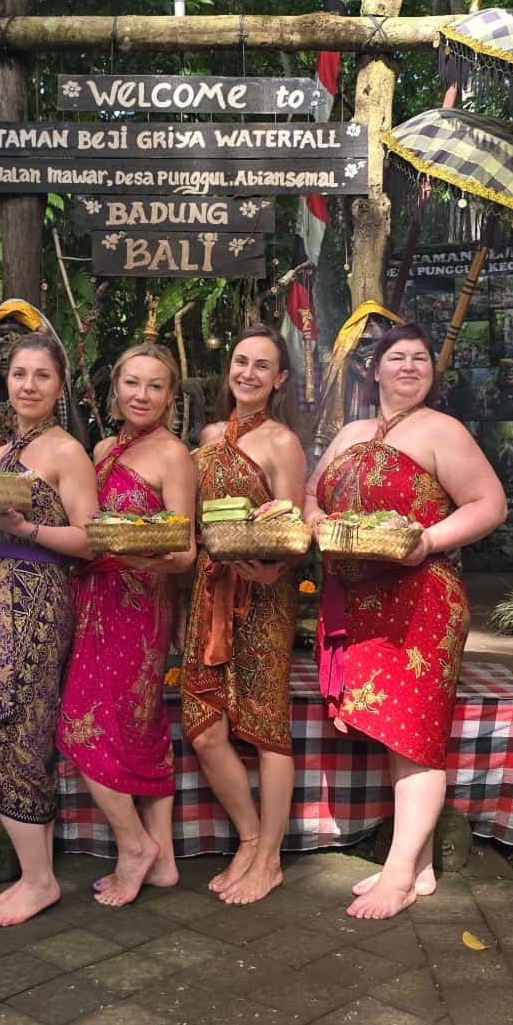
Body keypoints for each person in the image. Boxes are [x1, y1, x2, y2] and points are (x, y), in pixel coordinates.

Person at [306, 323, 506, 921]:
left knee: (414, 737)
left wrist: (426, 540)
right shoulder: (351, 432)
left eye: (421, 358)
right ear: (375, 370)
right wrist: (318, 522)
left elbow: (489, 504)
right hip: (357, 597)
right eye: (397, 357)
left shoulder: (443, 431)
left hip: (421, 596)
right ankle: (416, 862)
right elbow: (314, 496)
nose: (410, 367)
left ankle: (395, 874)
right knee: (391, 732)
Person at [0, 331, 97, 928]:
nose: (29, 385)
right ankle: (30, 872)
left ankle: (39, 881)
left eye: (41, 375)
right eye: (19, 374)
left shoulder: (67, 452)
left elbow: (90, 540)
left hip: (36, 600)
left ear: (59, 386)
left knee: (20, 725)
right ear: (6, 382)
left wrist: (25, 527)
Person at [57, 342, 197, 907]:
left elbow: (185, 552)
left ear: (170, 395)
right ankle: (160, 860)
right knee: (139, 728)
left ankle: (133, 844)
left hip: (139, 602)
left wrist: (129, 558)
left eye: (155, 385)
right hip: (93, 596)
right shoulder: (102, 447)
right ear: (115, 388)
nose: (142, 395)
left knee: (82, 725)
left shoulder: (174, 455)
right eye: (132, 383)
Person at [182, 325, 307, 904]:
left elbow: (296, 527)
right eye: (240, 361)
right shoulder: (207, 438)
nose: (248, 373)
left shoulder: (283, 442)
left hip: (263, 596)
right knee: (205, 729)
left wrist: (273, 569)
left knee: (265, 729)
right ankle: (250, 838)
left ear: (279, 379)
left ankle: (271, 858)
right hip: (210, 593)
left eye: (263, 365)